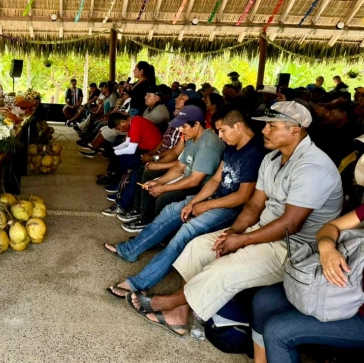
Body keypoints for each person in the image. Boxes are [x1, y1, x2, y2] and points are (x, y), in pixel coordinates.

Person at [126, 101, 342, 338]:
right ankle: (179, 315)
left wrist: (242, 241)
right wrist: (233, 233)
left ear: (295, 130)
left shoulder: (312, 166)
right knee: (199, 247)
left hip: (293, 247)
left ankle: (167, 303)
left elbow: (291, 224)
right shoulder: (272, 160)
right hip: (263, 229)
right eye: (265, 125)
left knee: (224, 267)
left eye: (272, 125)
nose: (264, 130)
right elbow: (254, 205)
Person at [105, 105, 265, 298]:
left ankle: (138, 282)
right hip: (215, 199)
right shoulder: (232, 148)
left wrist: (204, 205)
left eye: (222, 131)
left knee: (185, 233)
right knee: (171, 210)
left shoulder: (255, 153)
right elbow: (215, 180)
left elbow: (243, 197)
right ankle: (131, 250)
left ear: (238, 126)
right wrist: (193, 203)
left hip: (231, 209)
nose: (220, 136)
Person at [252, 206, 364, 363]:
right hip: (343, 287)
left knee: (278, 331)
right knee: (264, 300)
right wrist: (327, 248)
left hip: (358, 314)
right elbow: (331, 227)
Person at [120, 105, 225, 231]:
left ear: (196, 125)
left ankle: (160, 234)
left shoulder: (208, 145)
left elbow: (195, 181)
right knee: (151, 182)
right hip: (188, 177)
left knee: (163, 198)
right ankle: (147, 220)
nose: (180, 130)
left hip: (201, 186)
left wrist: (163, 188)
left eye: (184, 126)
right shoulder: (191, 138)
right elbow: (179, 168)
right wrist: (158, 182)